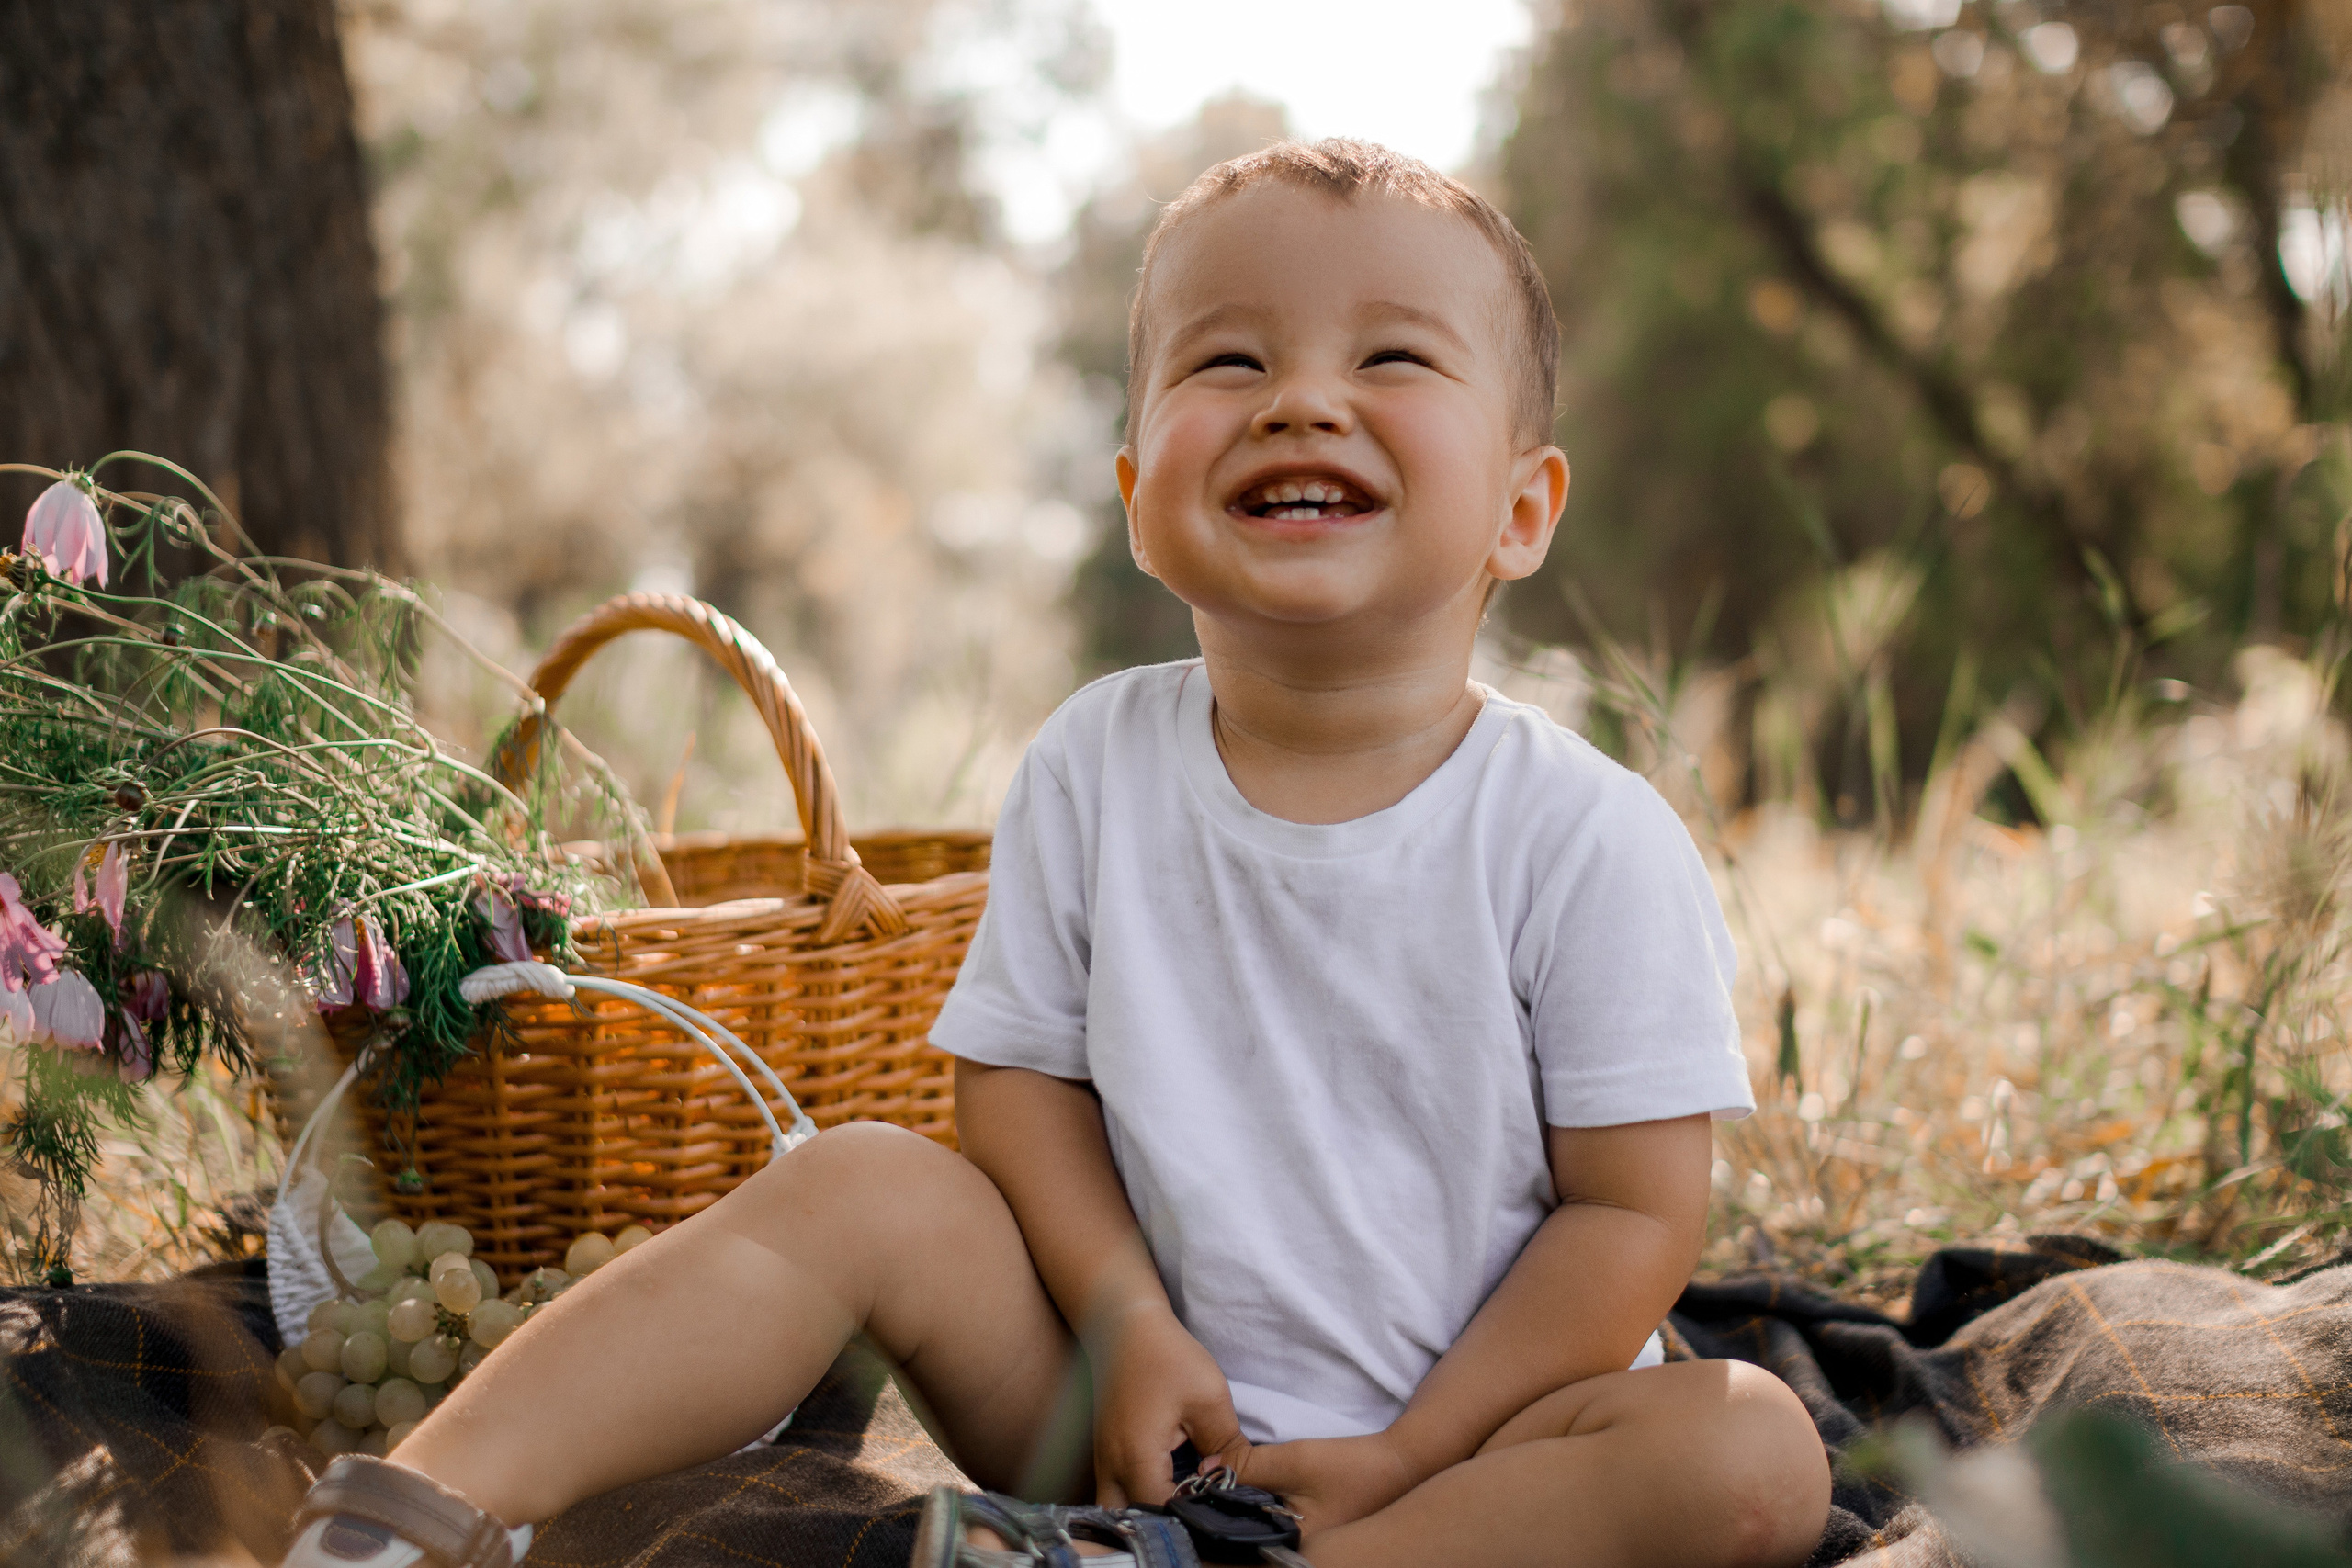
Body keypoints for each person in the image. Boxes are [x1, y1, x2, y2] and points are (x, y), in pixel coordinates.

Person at [280, 138, 1831, 1568]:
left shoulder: (1586, 835)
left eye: (1391, 358)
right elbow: (1018, 1091)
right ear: (1139, 499)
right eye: (1230, 360)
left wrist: (1413, 1450)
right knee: (865, 1180)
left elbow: (1632, 1217)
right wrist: (1127, 1322)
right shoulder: (1096, 762)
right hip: (1131, 1432)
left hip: (1463, 1467)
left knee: (1753, 1451)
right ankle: (417, 1508)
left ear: (1521, 506)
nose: (1301, 398)